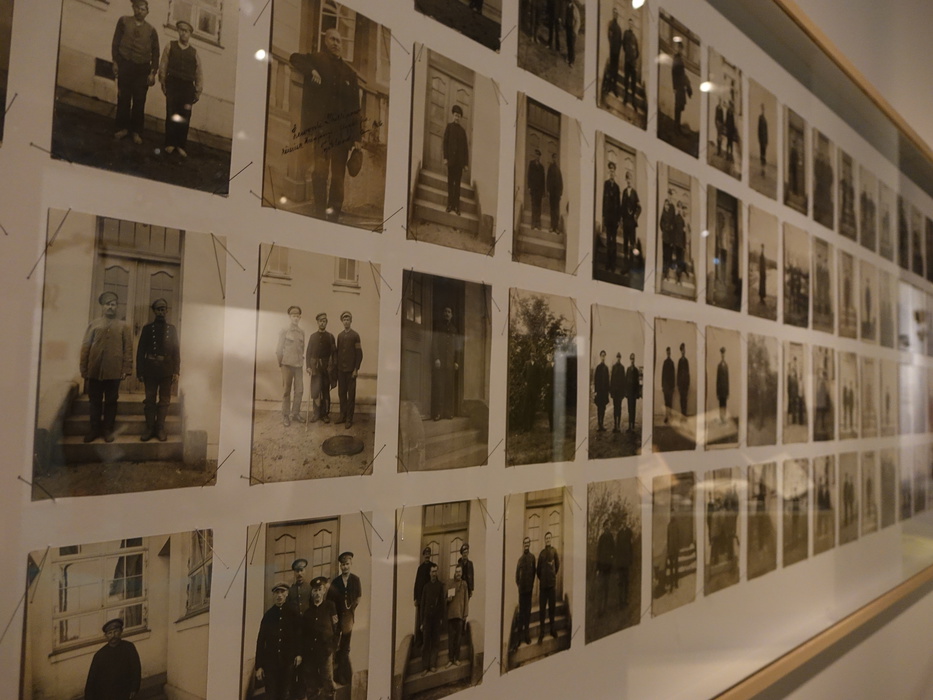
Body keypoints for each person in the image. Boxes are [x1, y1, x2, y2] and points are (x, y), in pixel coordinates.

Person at [290, 28, 362, 223]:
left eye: (339, 40)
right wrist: (311, 70)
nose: (336, 43)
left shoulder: (349, 73)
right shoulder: (317, 60)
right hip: (323, 131)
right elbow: (294, 58)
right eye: (332, 39)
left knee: (338, 177)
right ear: (325, 41)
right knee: (320, 172)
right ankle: (319, 211)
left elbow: (356, 108)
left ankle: (333, 216)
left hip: (342, 135)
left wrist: (357, 137)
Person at [80, 291, 133, 443]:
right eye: (107, 304)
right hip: (95, 370)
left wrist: (126, 369)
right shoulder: (94, 324)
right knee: (94, 401)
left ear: (117, 307)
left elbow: (128, 349)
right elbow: (85, 347)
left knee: (111, 401)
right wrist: (84, 368)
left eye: (113, 304)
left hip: (114, 371)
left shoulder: (123, 326)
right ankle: (94, 429)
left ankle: (107, 430)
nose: (110, 307)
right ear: (102, 307)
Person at [111, 0, 159, 144]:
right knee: (123, 98)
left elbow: (156, 53)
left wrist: (152, 72)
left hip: (142, 70)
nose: (140, 11)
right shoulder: (123, 21)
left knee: (139, 100)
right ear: (133, 8)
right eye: (137, 7)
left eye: (143, 9)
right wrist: (115, 62)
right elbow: (115, 42)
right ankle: (122, 128)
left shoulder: (151, 30)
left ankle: (136, 131)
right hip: (125, 65)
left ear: (147, 12)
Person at [136, 298, 180, 442]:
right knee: (150, 400)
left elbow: (176, 352)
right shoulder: (148, 329)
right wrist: (140, 371)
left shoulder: (172, 329)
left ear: (166, 311)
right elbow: (140, 351)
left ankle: (160, 428)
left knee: (164, 400)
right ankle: (149, 428)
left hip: (166, 369)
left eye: (163, 309)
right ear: (154, 311)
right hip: (150, 369)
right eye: (158, 309)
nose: (161, 312)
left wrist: (176, 371)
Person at [158, 20, 202, 157]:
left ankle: (180, 145)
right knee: (171, 112)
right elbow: (163, 64)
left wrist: (198, 90)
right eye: (181, 30)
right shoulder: (170, 46)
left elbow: (198, 72)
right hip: (173, 84)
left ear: (190, 34)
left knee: (185, 115)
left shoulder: (194, 52)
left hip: (188, 87)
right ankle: (170, 143)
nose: (183, 33)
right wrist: (163, 81)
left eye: (186, 31)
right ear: (178, 31)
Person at [255, 582, 302, 700]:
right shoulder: (268, 616)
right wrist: (259, 666)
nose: (279, 595)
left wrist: (299, 653)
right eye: (277, 592)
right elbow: (261, 641)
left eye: (282, 592)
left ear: (287, 594)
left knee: (285, 694)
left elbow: (299, 635)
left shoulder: (293, 613)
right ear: (273, 595)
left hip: (288, 661)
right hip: (271, 664)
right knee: (271, 694)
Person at [84, 618, 141, 700]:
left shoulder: (129, 647)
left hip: (124, 692)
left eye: (116, 631)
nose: (113, 635)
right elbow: (91, 679)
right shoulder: (100, 655)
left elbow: (136, 669)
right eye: (109, 633)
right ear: (105, 636)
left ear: (121, 631)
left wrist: (134, 688)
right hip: (105, 695)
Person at [328, 552, 361, 687]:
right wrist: (333, 615)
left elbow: (358, 597)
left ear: (351, 564)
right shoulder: (335, 582)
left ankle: (343, 676)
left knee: (345, 647)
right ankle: (331, 676)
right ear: (340, 566)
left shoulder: (355, 580)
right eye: (342, 564)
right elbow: (330, 601)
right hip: (337, 618)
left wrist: (351, 609)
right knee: (334, 645)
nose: (345, 567)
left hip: (348, 617)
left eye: (347, 564)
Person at [303, 576, 338, 700]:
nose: (317, 593)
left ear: (324, 591)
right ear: (312, 593)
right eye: (315, 590)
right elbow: (304, 634)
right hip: (311, 654)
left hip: (326, 652)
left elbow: (336, 628)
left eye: (319, 590)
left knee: (328, 682)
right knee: (311, 685)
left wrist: (332, 648)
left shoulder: (330, 606)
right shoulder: (307, 613)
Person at [277, 306, 305, 428]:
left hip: (298, 366)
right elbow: (279, 349)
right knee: (286, 391)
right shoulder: (284, 331)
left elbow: (302, 349)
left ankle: (295, 413)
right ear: (290, 317)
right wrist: (281, 363)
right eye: (294, 316)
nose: (296, 318)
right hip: (287, 365)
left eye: (298, 316)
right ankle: (285, 415)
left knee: (299, 390)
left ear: (300, 317)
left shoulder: (301, 332)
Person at [306, 312, 336, 424]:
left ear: (326, 323)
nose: (322, 323)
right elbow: (308, 353)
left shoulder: (330, 337)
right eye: (320, 321)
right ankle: (316, 413)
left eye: (324, 321)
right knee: (315, 391)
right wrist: (308, 366)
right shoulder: (313, 337)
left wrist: (332, 368)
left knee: (325, 391)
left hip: (326, 369)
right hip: (315, 368)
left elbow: (334, 353)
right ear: (317, 322)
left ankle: (325, 414)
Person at [432, 306, 460, 421]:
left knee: (449, 388)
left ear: (452, 315)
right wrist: (436, 358)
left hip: (450, 363)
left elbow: (457, 348)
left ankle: (449, 412)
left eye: (449, 312)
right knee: (439, 388)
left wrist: (456, 361)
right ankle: (438, 413)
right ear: (443, 313)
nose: (447, 313)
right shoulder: (438, 327)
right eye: (445, 311)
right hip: (440, 363)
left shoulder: (454, 329)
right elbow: (434, 343)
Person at [335, 311, 362, 429]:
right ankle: (342, 416)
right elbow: (338, 353)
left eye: (348, 320)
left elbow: (359, 354)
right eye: (344, 320)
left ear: (351, 321)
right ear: (342, 321)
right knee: (342, 394)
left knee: (351, 396)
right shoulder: (340, 336)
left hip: (351, 371)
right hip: (341, 370)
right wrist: (337, 369)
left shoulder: (355, 335)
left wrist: (356, 369)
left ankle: (349, 419)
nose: (346, 322)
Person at [419, 562, 446, 674]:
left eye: (435, 571)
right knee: (426, 643)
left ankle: (433, 665)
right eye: (432, 572)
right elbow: (422, 605)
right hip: (427, 619)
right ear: (430, 573)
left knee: (435, 642)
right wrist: (422, 622)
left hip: (436, 619)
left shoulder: (440, 586)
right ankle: (425, 667)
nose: (434, 574)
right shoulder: (426, 587)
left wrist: (441, 618)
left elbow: (442, 603)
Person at [443, 105, 469, 215]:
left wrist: (465, 164)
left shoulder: (462, 131)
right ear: (453, 116)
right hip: (451, 161)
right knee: (450, 183)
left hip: (459, 163)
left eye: (458, 116)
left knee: (457, 184)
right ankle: (449, 205)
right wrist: (445, 157)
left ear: (460, 117)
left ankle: (456, 206)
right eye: (455, 115)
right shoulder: (449, 127)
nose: (457, 118)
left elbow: (465, 149)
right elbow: (445, 143)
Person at [536, 531, 560, 642]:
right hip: (543, 587)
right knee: (542, 610)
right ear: (545, 540)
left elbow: (557, 566)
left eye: (549, 538)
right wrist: (543, 579)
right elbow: (538, 570)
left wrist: (551, 576)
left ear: (551, 539)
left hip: (551, 586)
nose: (548, 540)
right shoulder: (541, 553)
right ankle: (542, 632)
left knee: (552, 608)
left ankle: (552, 629)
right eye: (546, 538)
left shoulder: (554, 551)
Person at [446, 564, 469, 667]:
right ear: (454, 573)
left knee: (458, 639)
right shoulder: (450, 583)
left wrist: (465, 614)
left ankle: (457, 658)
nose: (458, 574)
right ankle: (450, 659)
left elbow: (466, 600)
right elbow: (445, 599)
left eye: (459, 572)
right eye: (456, 572)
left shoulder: (464, 584)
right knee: (451, 639)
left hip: (460, 615)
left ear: (462, 573)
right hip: (451, 615)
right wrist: (448, 599)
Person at [515, 536, 536, 646]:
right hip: (522, 592)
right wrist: (520, 586)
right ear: (523, 545)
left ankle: (526, 636)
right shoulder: (520, 560)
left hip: (529, 591)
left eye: (528, 543)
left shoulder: (532, 558)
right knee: (521, 614)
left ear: (529, 544)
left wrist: (530, 585)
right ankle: (519, 638)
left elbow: (534, 574)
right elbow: (516, 577)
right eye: (525, 543)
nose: (526, 545)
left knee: (527, 613)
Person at [602, 161, 621, 271]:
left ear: (615, 173)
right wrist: (603, 216)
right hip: (608, 218)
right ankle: (607, 264)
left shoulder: (617, 187)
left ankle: (613, 264)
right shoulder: (606, 184)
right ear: (609, 172)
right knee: (608, 240)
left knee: (613, 241)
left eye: (613, 171)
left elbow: (618, 204)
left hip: (614, 219)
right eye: (610, 171)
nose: (612, 173)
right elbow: (604, 201)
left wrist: (618, 219)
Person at [413, 547, 433, 647]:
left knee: (429, 619)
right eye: (425, 554)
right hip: (421, 598)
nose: (427, 556)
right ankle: (419, 641)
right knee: (420, 620)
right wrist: (415, 598)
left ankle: (428, 641)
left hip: (429, 599)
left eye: (428, 554)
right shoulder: (420, 568)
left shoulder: (433, 567)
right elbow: (417, 583)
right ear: (423, 555)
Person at [671, 39, 692, 132]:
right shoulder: (677, 59)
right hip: (679, 86)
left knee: (679, 106)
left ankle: (677, 126)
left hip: (681, 86)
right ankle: (676, 127)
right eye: (679, 48)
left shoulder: (679, 59)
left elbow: (682, 74)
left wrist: (687, 84)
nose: (680, 50)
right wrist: (675, 87)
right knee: (678, 106)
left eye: (681, 49)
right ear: (677, 49)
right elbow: (674, 73)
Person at [621, 171, 641, 263]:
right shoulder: (624, 192)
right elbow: (622, 207)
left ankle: (631, 262)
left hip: (632, 222)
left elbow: (639, 207)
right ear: (626, 180)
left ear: (632, 180)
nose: (629, 181)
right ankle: (625, 261)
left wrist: (635, 216)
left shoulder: (634, 193)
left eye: (630, 179)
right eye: (627, 179)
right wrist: (621, 219)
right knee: (625, 241)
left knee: (632, 242)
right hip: (625, 221)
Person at [595, 526, 614, 614]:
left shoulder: (611, 537)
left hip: (608, 567)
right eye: (605, 527)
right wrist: (597, 568)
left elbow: (613, 551)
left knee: (606, 588)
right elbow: (598, 553)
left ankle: (605, 608)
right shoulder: (601, 538)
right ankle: (599, 609)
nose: (607, 529)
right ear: (604, 528)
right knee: (600, 588)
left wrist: (611, 562)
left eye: (608, 527)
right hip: (601, 568)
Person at [604, 8, 622, 98]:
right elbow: (609, 36)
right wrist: (610, 47)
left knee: (615, 69)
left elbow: (620, 41)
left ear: (618, 16)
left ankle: (614, 88)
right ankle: (608, 87)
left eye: (617, 14)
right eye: (614, 13)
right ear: (612, 14)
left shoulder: (619, 28)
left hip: (616, 52)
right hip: (611, 51)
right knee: (610, 69)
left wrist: (618, 49)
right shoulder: (610, 24)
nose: (615, 15)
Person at [621, 18, 639, 106]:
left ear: (633, 26)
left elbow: (637, 52)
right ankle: (625, 98)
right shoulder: (626, 33)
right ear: (628, 24)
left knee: (633, 82)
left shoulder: (635, 38)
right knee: (626, 80)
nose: (630, 25)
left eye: (632, 24)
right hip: (627, 61)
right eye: (629, 24)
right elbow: (624, 45)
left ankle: (633, 101)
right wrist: (628, 54)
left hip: (633, 63)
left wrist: (634, 58)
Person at [615, 520, 633, 607]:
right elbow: (617, 548)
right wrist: (617, 562)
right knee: (620, 583)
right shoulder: (619, 534)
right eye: (622, 522)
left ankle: (625, 600)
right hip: (620, 562)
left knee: (626, 582)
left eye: (625, 522)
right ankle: (620, 602)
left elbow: (631, 547)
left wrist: (630, 559)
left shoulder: (629, 532)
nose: (624, 523)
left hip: (626, 562)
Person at [659, 189, 676, 279]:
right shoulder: (664, 206)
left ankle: (667, 273)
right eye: (668, 195)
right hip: (665, 235)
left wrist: (671, 228)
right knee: (664, 255)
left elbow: (673, 221)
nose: (669, 197)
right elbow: (661, 221)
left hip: (670, 236)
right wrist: (664, 229)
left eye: (671, 195)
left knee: (669, 255)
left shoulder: (672, 207)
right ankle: (664, 272)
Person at [527, 149, 545, 230]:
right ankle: (533, 223)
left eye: (538, 155)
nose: (537, 156)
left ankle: (538, 224)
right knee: (534, 206)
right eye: (536, 155)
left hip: (539, 191)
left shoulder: (542, 167)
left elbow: (543, 180)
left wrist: (543, 191)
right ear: (535, 155)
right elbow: (529, 175)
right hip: (533, 189)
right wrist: (529, 186)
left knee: (539, 207)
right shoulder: (531, 164)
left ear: (540, 157)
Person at [546, 152, 563, 233]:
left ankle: (556, 228)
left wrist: (560, 192)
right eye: (553, 158)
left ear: (557, 159)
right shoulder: (550, 168)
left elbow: (561, 182)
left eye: (556, 158)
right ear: (552, 159)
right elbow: (548, 180)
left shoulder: (558, 169)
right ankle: (552, 226)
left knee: (556, 211)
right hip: (552, 193)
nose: (555, 159)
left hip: (557, 194)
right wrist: (548, 191)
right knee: (552, 210)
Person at [593, 350, 610, 432]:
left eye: (604, 356)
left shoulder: (606, 368)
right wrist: (595, 391)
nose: (603, 357)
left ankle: (602, 424)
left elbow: (608, 381)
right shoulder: (598, 368)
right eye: (602, 356)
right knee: (599, 408)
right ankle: (599, 425)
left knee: (603, 408)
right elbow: (596, 380)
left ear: (605, 357)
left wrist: (608, 391)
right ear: (600, 357)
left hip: (604, 392)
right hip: (599, 392)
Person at [610, 352, 626, 433]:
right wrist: (611, 392)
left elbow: (624, 381)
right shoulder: (614, 367)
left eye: (619, 357)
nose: (618, 358)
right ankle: (615, 425)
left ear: (620, 358)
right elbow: (612, 380)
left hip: (620, 393)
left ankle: (618, 426)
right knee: (615, 408)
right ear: (616, 358)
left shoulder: (622, 368)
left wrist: (623, 393)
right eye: (617, 357)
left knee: (619, 408)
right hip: (615, 392)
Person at [625, 352, 640, 432]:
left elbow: (637, 383)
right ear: (629, 360)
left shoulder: (636, 370)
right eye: (631, 359)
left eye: (633, 359)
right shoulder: (628, 370)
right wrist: (626, 392)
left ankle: (633, 425)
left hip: (634, 393)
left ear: (634, 360)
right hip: (629, 393)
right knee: (629, 409)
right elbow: (626, 381)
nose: (632, 360)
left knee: (633, 409)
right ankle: (629, 426)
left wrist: (637, 393)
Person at [666, 514, 680, 592]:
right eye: (671, 514)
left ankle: (676, 582)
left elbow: (679, 537)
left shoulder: (677, 525)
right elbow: (668, 538)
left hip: (675, 549)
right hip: (671, 550)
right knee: (671, 568)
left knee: (676, 567)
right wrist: (668, 551)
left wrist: (678, 548)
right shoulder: (668, 526)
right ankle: (671, 584)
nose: (672, 516)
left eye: (673, 514)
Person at [661, 346, 675, 424]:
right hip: (666, 387)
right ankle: (666, 416)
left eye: (669, 352)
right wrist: (662, 386)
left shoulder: (672, 363)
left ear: (670, 353)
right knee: (666, 402)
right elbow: (663, 375)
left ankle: (670, 417)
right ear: (666, 353)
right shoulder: (665, 362)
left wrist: (673, 386)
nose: (668, 353)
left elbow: (673, 376)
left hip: (670, 387)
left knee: (670, 402)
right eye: (667, 352)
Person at [676, 342, 690, 418]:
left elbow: (688, 373)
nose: (683, 352)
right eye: (682, 350)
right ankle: (682, 414)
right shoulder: (679, 361)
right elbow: (678, 373)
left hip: (685, 384)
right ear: (681, 351)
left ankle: (685, 414)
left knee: (685, 399)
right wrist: (678, 384)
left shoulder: (686, 361)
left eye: (684, 350)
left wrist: (688, 383)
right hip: (681, 385)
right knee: (681, 399)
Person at [716, 347, 730, 424]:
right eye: (722, 354)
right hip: (720, 390)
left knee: (725, 405)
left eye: (723, 354)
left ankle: (724, 419)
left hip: (725, 390)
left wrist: (728, 392)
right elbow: (717, 380)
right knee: (720, 405)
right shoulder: (719, 366)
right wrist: (717, 392)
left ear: (725, 355)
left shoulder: (726, 366)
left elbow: (727, 380)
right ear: (720, 355)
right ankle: (721, 419)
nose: (723, 355)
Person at [757, 102, 768, 174]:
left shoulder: (765, 119)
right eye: (762, 108)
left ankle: (763, 169)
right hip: (762, 140)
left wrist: (767, 140)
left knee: (764, 155)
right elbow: (759, 129)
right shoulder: (760, 118)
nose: (763, 110)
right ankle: (762, 169)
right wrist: (760, 139)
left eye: (763, 109)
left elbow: (766, 131)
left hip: (765, 140)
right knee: (762, 155)